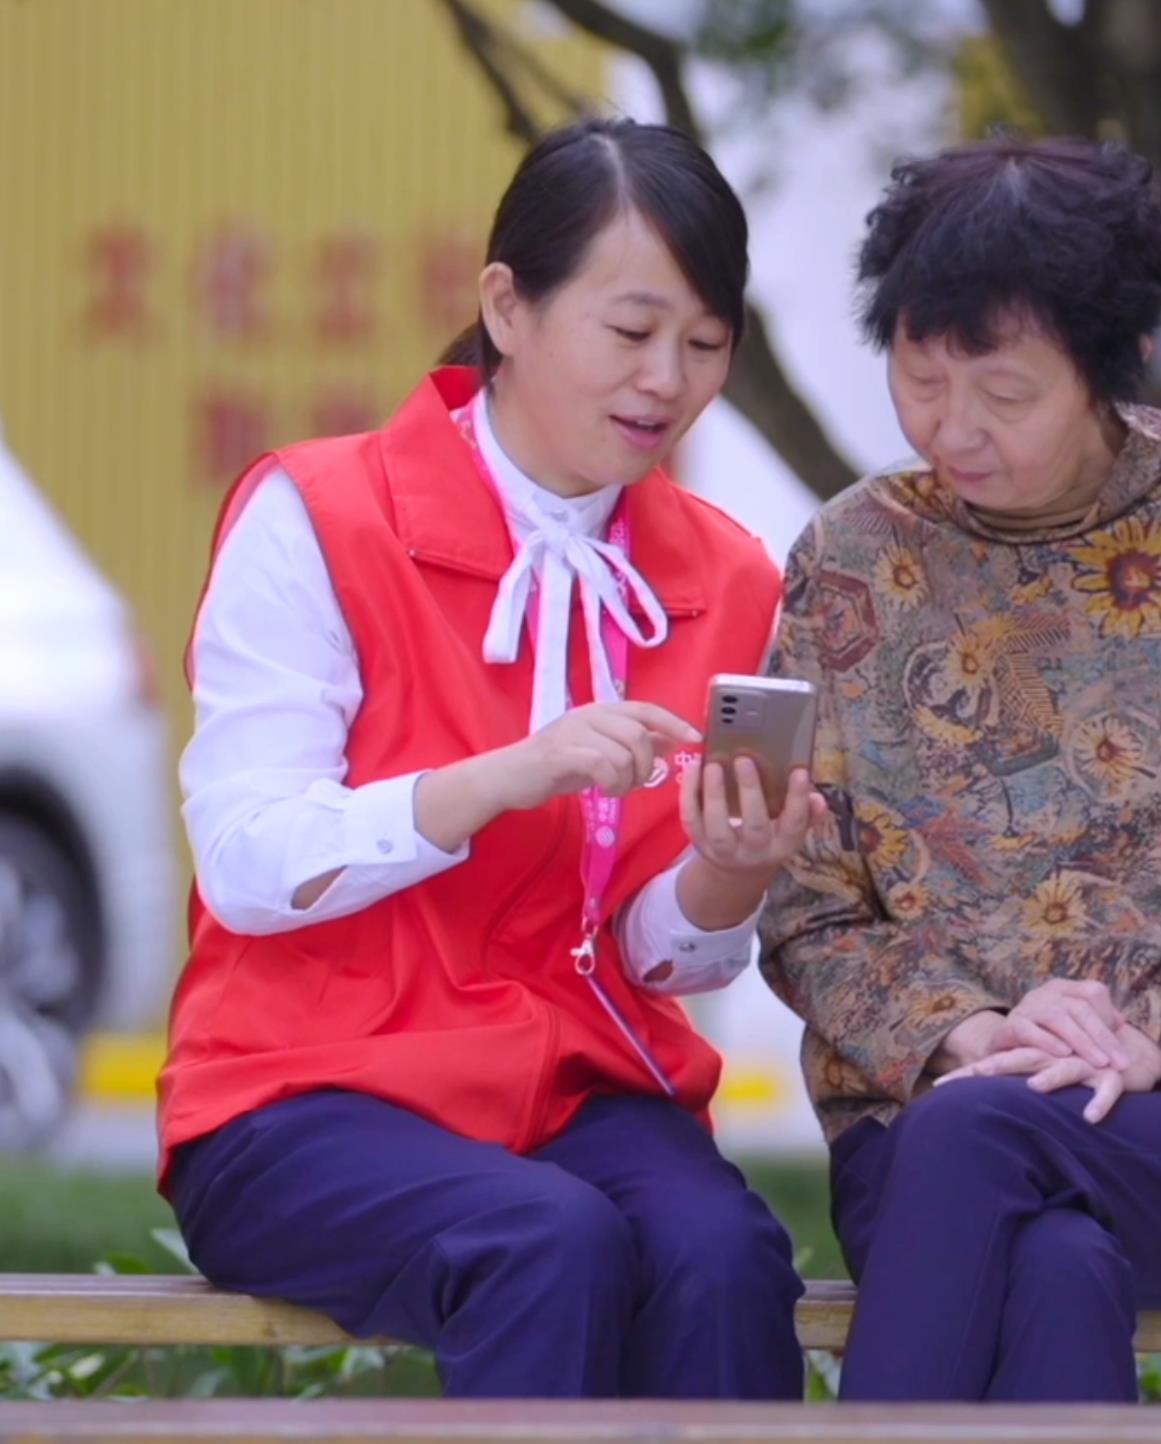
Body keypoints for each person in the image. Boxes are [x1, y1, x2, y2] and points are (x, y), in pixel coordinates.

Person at [158, 116, 821, 1400]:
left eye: (704, 344)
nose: (666, 381)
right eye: (630, 331)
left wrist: (732, 873)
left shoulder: (728, 574)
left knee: (726, 1254)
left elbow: (651, 953)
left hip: (574, 1085)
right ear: (506, 307)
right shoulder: (320, 513)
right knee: (545, 1240)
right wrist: (509, 774)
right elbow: (246, 862)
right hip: (298, 1091)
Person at [760, 136, 1161, 1403]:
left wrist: (1144, 1041)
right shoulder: (849, 560)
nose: (953, 428)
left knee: (985, 1136)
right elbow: (807, 907)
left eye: (1003, 391)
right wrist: (973, 1034)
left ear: (1115, 362)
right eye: (921, 378)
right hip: (921, 1115)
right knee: (1049, 1259)